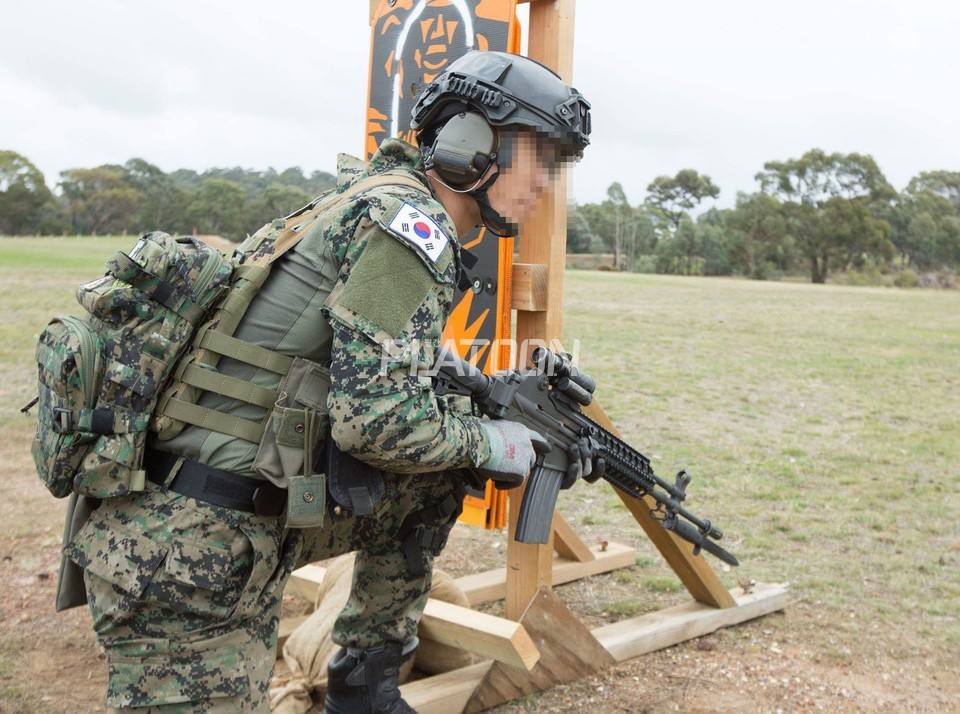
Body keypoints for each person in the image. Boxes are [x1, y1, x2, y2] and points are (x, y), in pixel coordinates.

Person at [64, 50, 591, 713]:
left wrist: (484, 408)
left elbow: (382, 382)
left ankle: (364, 684)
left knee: (428, 485)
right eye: (537, 156)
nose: (546, 181)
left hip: (233, 518)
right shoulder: (408, 230)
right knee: (452, 454)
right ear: (470, 146)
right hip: (186, 553)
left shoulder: (372, 201)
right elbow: (375, 424)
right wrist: (497, 444)